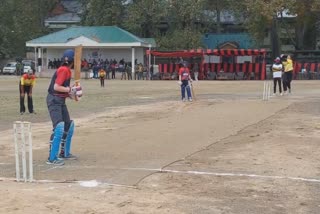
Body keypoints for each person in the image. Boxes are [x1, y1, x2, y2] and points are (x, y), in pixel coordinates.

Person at [46, 49, 82, 166]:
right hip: (54, 100)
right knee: (59, 127)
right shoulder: (63, 70)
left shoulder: (67, 71)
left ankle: (64, 153)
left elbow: (64, 90)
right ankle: (52, 158)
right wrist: (70, 90)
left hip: (60, 100)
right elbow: (56, 87)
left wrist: (74, 94)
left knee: (68, 125)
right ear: (72, 61)